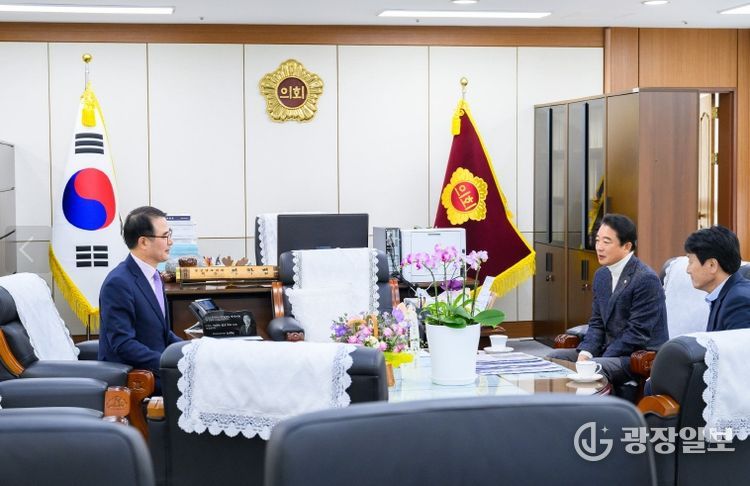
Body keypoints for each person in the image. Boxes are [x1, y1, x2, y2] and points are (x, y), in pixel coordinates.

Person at [547, 213, 668, 386]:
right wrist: (586, 353)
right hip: (606, 350)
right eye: (597, 240)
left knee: (593, 369)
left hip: (636, 356)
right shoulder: (601, 275)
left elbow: (636, 334)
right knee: (553, 359)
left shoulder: (645, 279)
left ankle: (595, 404)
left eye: (606, 242)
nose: (599, 247)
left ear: (626, 246)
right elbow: (596, 322)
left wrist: (596, 360)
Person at [99, 206, 182, 390]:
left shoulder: (154, 276)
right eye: (165, 236)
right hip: (137, 378)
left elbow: (162, 334)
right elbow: (123, 344)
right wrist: (169, 364)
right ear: (143, 242)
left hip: (157, 370)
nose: (171, 242)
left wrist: (192, 351)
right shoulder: (118, 283)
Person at [684, 225, 750, 332]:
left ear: (712, 265)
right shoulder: (725, 294)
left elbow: (738, 343)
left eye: (691, 262)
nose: (688, 270)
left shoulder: (738, 301)